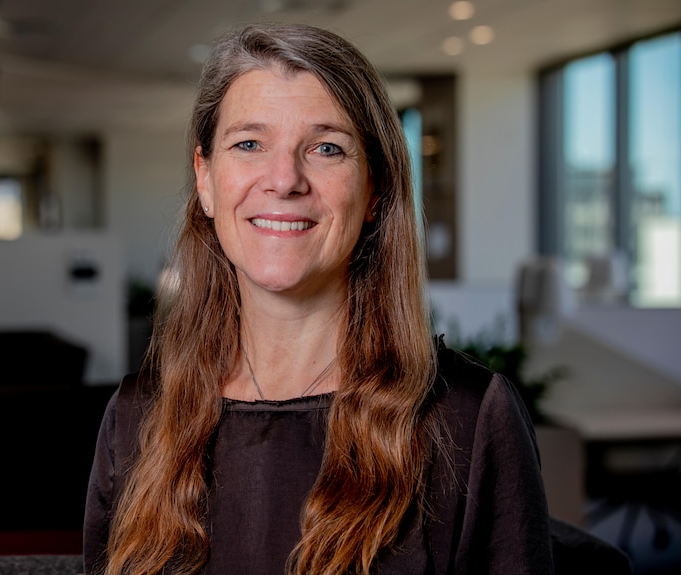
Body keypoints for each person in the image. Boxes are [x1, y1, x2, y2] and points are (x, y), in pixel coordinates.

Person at [84, 22, 554, 575]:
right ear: (205, 178)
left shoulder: (468, 422)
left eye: (326, 148)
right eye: (249, 144)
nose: (284, 180)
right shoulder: (137, 418)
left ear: (375, 188)